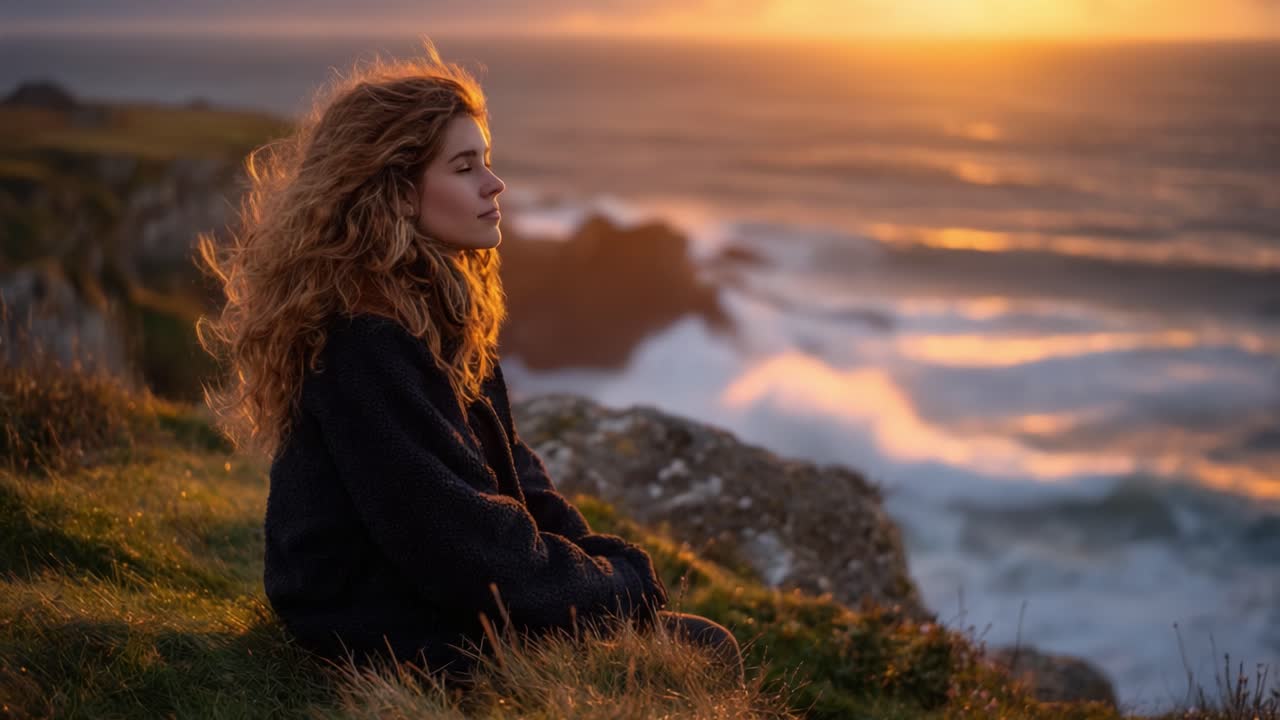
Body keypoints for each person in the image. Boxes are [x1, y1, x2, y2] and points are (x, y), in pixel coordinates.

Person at [194, 39, 744, 688]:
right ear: (394, 192)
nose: (495, 184)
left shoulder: (435, 309)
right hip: (371, 621)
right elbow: (462, 547)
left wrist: (600, 564)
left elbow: (514, 475)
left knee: (686, 640)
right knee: (701, 654)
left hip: (436, 591)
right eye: (464, 167)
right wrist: (613, 588)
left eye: (485, 162)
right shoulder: (362, 341)